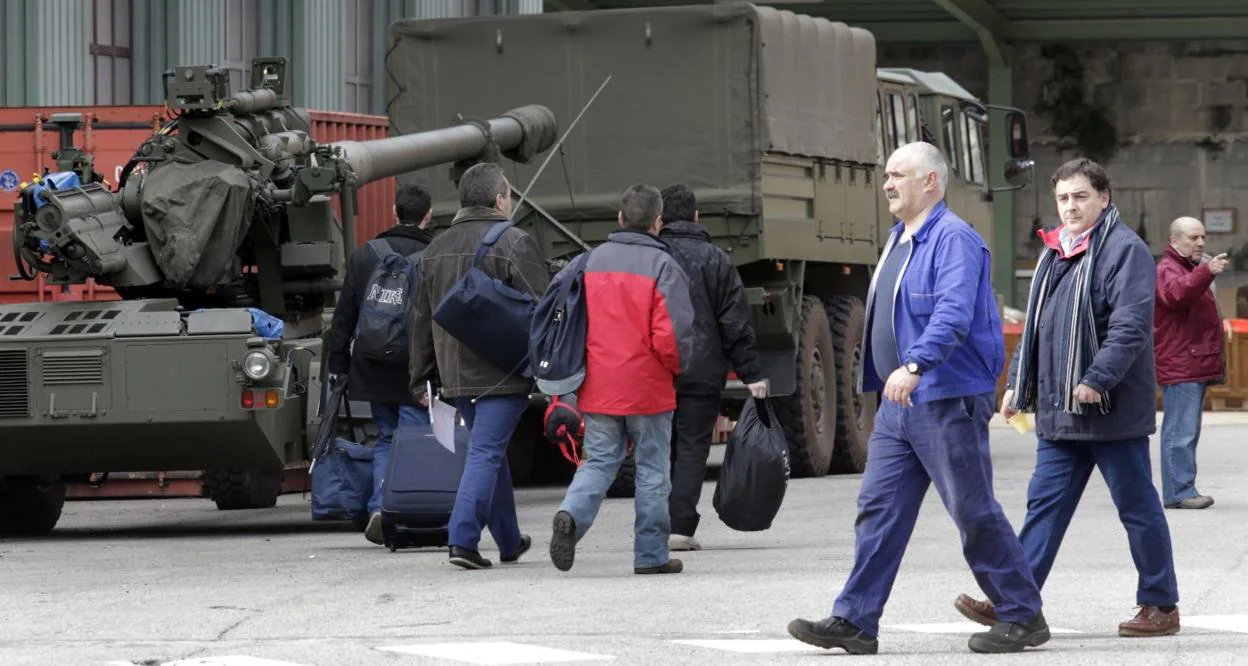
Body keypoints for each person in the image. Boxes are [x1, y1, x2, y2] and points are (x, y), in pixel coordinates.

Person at [787, 142, 1048, 656]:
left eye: (897, 175)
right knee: (878, 510)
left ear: (930, 181)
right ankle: (856, 619)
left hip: (945, 396)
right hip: (900, 405)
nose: (887, 183)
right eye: (886, 175)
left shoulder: (953, 240)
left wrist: (914, 365)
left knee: (972, 510)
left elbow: (952, 314)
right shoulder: (898, 240)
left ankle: (1022, 614)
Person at [955, 157, 1181, 638]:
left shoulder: (1125, 250)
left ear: (1104, 197)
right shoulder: (1055, 250)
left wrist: (1098, 378)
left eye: (1081, 196)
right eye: (1063, 198)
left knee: (1137, 509)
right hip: (1060, 411)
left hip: (1108, 408)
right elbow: (1039, 326)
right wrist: (1018, 382)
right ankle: (1014, 601)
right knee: (1044, 508)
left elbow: (1131, 325)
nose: (1071, 206)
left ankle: (1161, 605)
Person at [408, 162, 551, 570]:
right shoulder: (514, 242)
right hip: (502, 374)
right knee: (486, 453)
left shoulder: (433, 249)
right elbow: (544, 311)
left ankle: (508, 540)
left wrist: (420, 378)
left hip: (455, 376)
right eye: (510, 194)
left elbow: (420, 319)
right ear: (499, 198)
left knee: (492, 453)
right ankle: (462, 540)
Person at [548, 184, 695, 575]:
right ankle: (650, 555)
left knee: (597, 463)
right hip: (648, 389)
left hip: (598, 386)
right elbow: (672, 338)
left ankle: (571, 515)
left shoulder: (590, 261)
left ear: (619, 219)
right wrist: (679, 369)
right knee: (651, 471)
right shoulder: (663, 266)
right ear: (658, 222)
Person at [657, 183, 768, 552]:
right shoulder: (716, 259)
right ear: (696, 217)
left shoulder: (652, 256)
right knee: (691, 447)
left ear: (659, 219)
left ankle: (652, 526)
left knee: (656, 446)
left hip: (655, 369)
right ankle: (680, 527)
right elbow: (734, 322)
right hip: (702, 371)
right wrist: (752, 375)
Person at [325, 183, 435, 545]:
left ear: (393, 212)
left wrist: (338, 364)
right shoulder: (435, 255)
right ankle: (410, 509)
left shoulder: (365, 254)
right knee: (416, 436)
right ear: (428, 215)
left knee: (386, 437)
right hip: (417, 365)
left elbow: (344, 318)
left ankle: (379, 506)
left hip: (372, 364)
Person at [1153, 216, 1227, 510]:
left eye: (1202, 238)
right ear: (1174, 241)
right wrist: (1207, 272)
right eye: (1193, 238)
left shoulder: (1187, 268)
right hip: (1182, 364)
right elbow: (1176, 295)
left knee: (1186, 430)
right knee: (1180, 432)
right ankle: (1179, 492)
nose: (1200, 243)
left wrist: (1203, 271)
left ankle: (1181, 489)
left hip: (1189, 362)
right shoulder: (1168, 269)